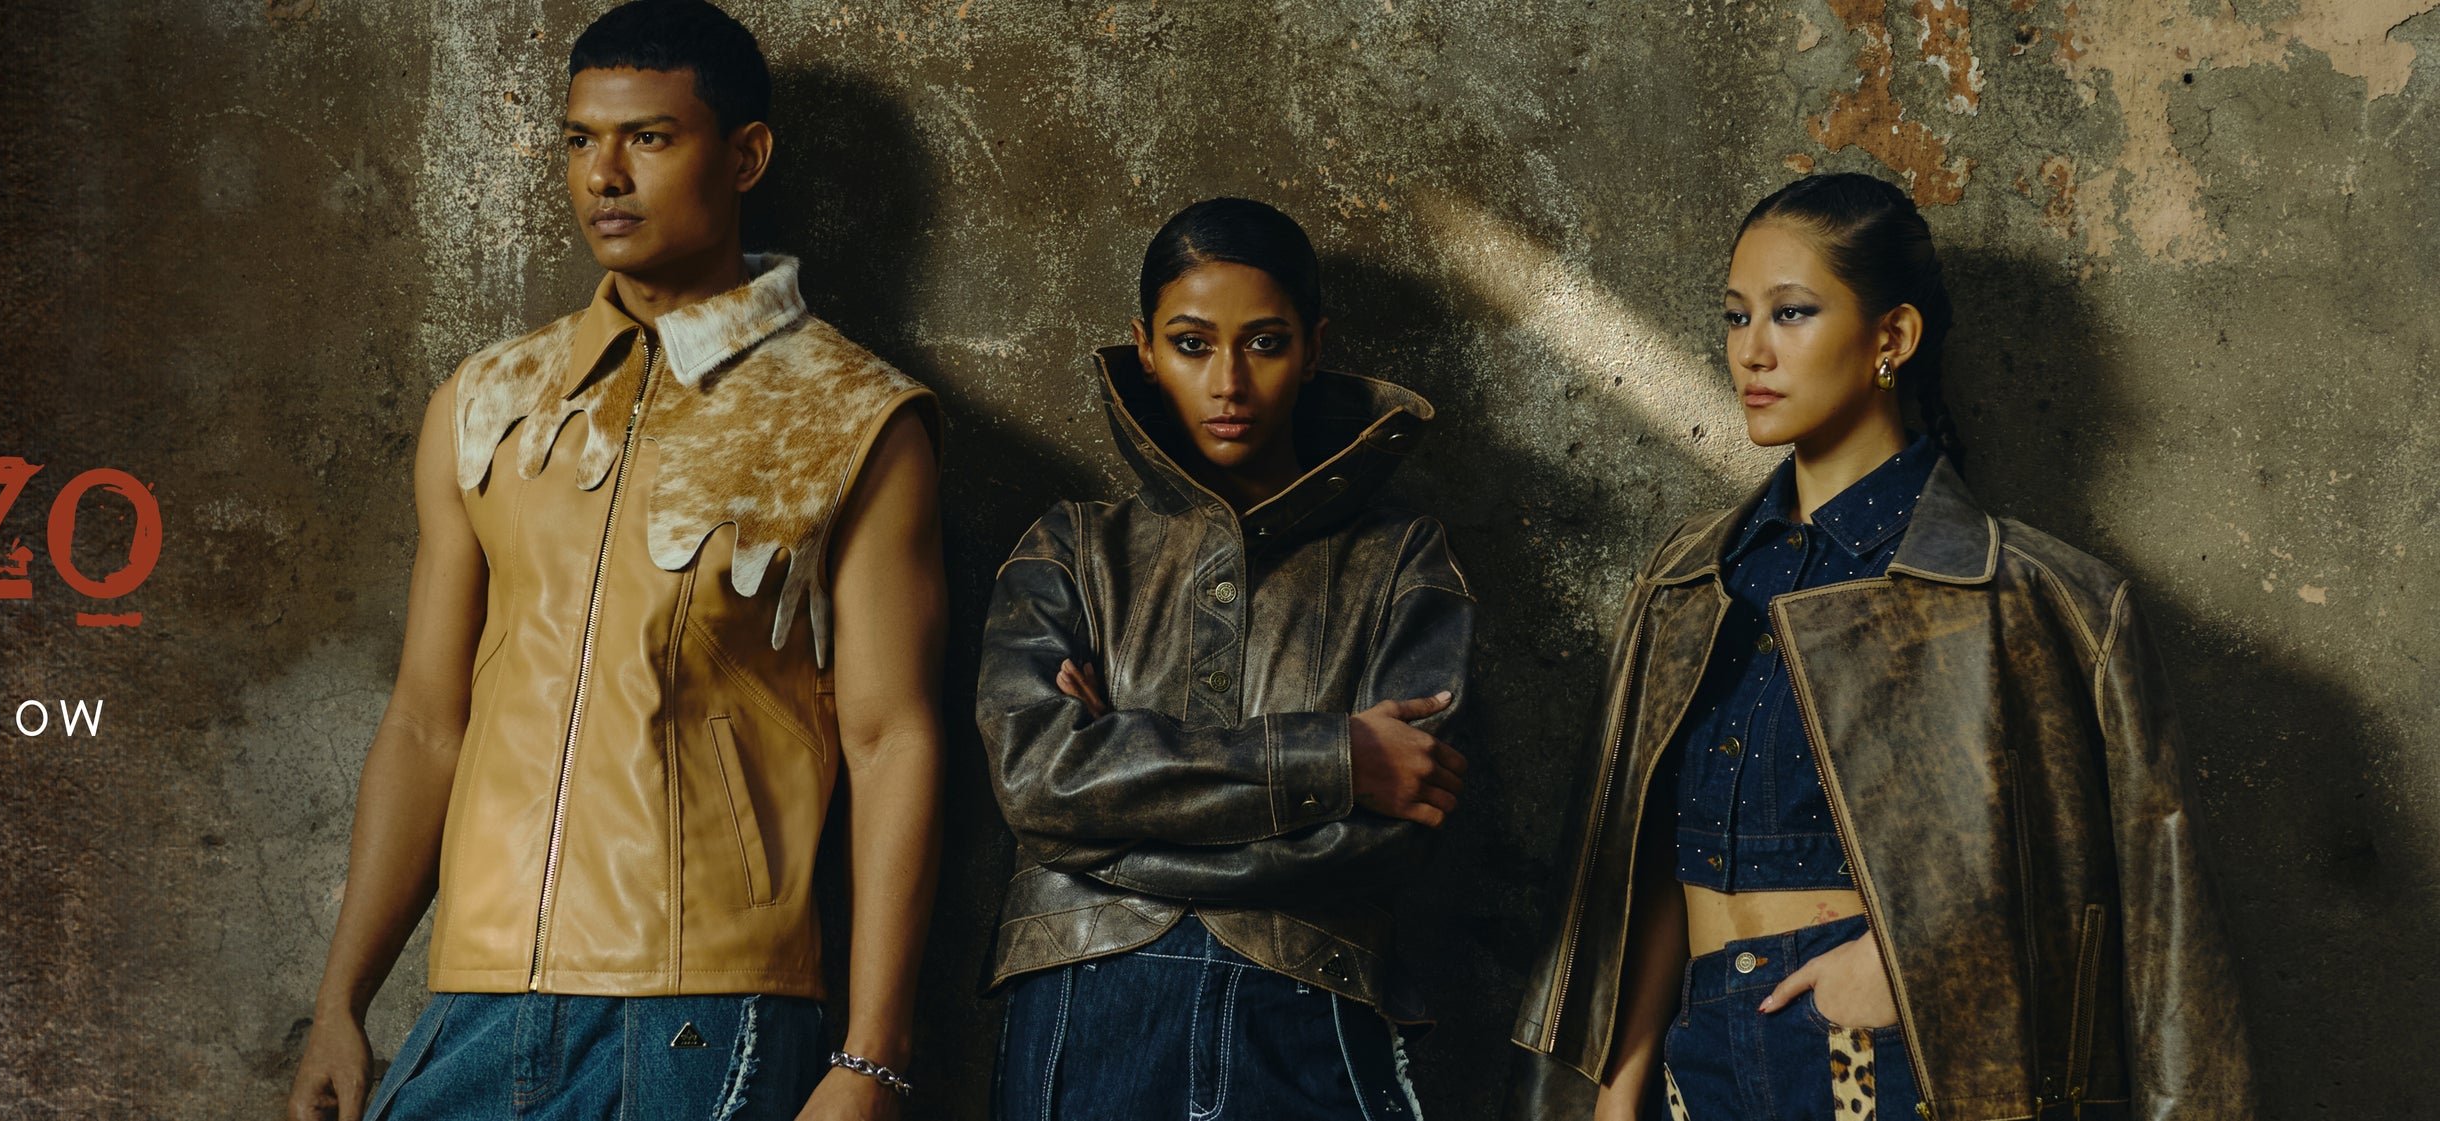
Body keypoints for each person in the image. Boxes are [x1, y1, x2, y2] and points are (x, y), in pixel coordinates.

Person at [283, 3, 946, 1119]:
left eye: (649, 137)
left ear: (745, 156)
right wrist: (341, 1000)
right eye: (582, 139)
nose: (605, 175)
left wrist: (871, 1055)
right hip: (481, 992)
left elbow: (892, 739)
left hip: (705, 1006)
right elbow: (428, 721)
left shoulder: (852, 416)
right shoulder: (488, 403)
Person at [1511, 172, 2255, 1121]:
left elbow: (2141, 904)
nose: (1753, 350)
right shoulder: (1690, 579)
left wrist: (1905, 969)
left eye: (1791, 312)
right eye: (1737, 317)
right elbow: (1651, 859)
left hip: (1888, 1058)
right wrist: (1621, 1084)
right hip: (1698, 1053)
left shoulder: (2035, 596)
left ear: (1891, 338)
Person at [975, 197, 1477, 1121]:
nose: (1229, 382)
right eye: (1192, 344)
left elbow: (1392, 837)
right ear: (1145, 348)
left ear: (1314, 348)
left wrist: (1107, 800)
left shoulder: (1402, 559)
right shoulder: (1070, 549)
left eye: (1266, 343)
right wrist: (1333, 759)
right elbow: (1036, 782)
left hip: (1309, 1008)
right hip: (1086, 1005)